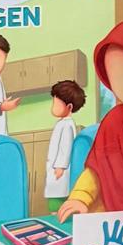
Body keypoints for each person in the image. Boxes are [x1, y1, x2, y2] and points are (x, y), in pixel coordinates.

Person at [57, 19, 123, 220]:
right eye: (113, 73)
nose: (121, 82)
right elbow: (96, 171)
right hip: (112, 217)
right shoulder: (113, 121)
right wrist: (80, 198)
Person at [44, 79, 86, 208]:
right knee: (54, 196)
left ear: (69, 107)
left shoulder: (67, 125)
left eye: (56, 104)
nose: (53, 107)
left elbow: (66, 147)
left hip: (59, 172)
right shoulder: (62, 123)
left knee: (56, 199)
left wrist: (60, 166)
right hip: (55, 170)